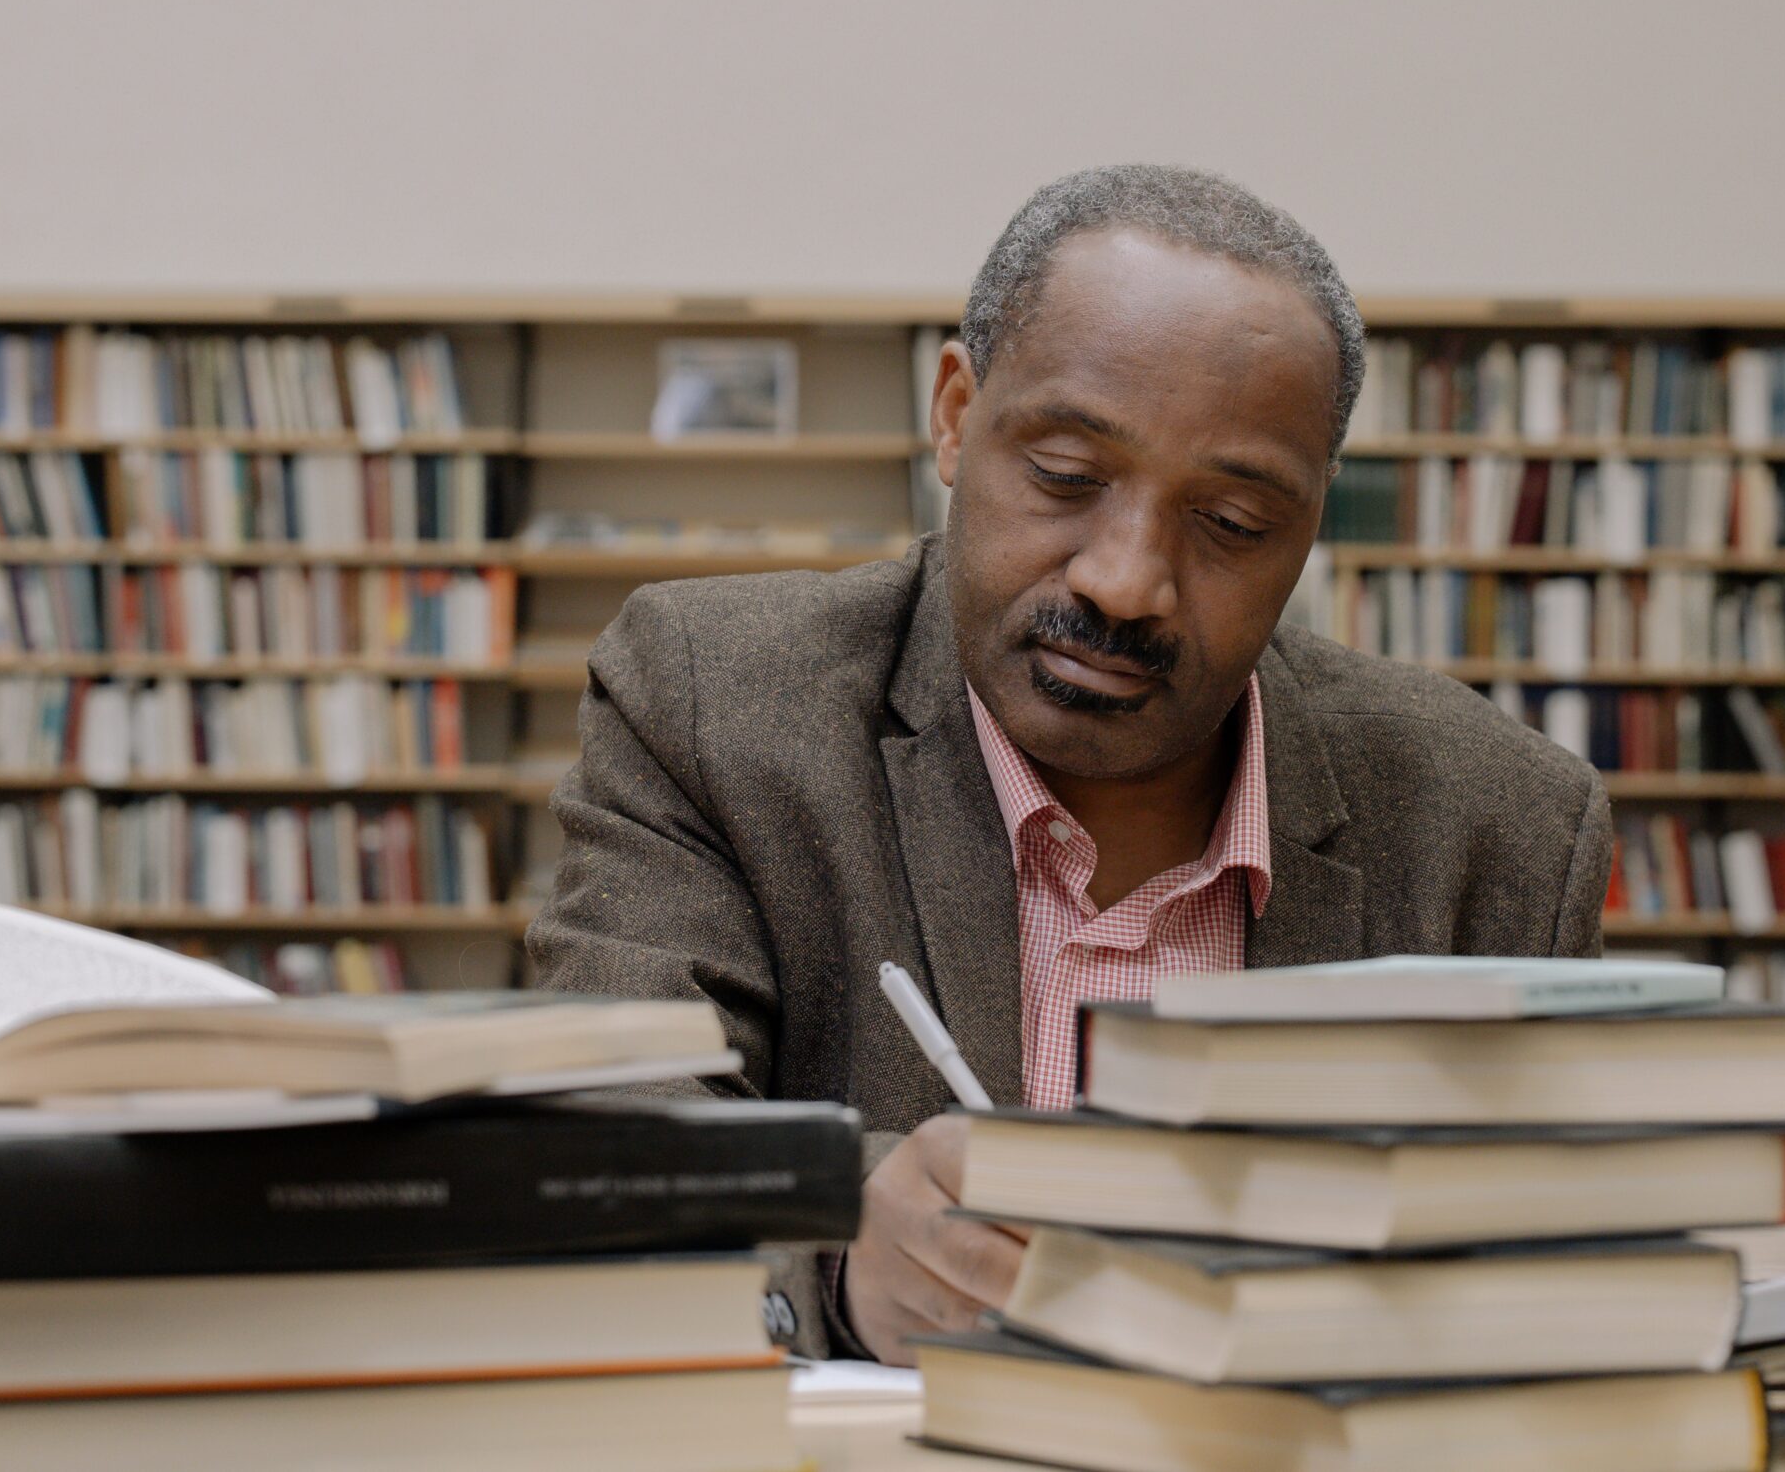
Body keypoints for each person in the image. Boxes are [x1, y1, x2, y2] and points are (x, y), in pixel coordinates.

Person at [528, 165, 1610, 1362]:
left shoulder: (1502, 827)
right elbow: (607, 1144)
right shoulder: (710, 701)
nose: (1126, 581)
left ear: (1309, 526)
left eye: (1233, 526)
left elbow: (1560, 1272)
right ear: (953, 414)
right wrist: (839, 1258)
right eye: (1065, 476)